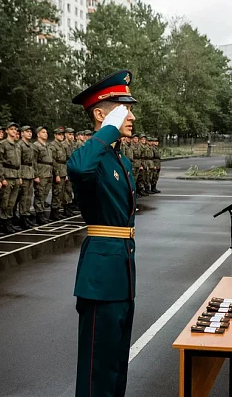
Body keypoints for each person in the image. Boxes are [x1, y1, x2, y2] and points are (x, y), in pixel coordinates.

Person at [68, 69, 137, 397]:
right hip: (101, 277)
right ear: (100, 114)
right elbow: (79, 168)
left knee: (116, 364)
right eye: (124, 110)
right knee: (97, 369)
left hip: (122, 272)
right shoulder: (92, 158)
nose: (131, 116)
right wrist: (108, 130)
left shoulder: (121, 160)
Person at [0, 122, 22, 234]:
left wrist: (19, 176)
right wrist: (2, 178)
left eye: (15, 129)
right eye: (11, 129)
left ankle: (9, 221)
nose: (14, 131)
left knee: (12, 202)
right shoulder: (3, 144)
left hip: (15, 175)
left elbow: (19, 163)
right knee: (5, 201)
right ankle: (3, 223)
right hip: (7, 175)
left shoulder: (17, 145)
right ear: (7, 131)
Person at [33, 126, 53, 225]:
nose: (46, 134)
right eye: (43, 132)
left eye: (46, 132)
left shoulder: (47, 146)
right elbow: (34, 161)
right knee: (39, 194)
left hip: (48, 172)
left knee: (45, 194)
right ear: (38, 134)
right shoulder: (36, 146)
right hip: (41, 173)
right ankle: (39, 214)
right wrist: (36, 175)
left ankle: (42, 212)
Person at [18, 125, 37, 228]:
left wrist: (35, 174)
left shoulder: (31, 145)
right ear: (22, 133)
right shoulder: (20, 145)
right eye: (27, 131)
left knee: (29, 196)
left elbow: (33, 161)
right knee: (24, 196)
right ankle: (23, 216)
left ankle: (26, 214)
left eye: (30, 132)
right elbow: (18, 162)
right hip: (23, 172)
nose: (29, 133)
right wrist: (19, 176)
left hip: (30, 172)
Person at [49, 127, 68, 220]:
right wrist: (56, 174)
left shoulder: (62, 145)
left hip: (63, 170)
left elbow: (65, 159)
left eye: (62, 134)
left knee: (61, 192)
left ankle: (58, 210)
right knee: (56, 192)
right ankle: (54, 211)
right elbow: (53, 160)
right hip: (58, 171)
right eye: (59, 134)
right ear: (55, 135)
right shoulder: (53, 145)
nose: (61, 136)